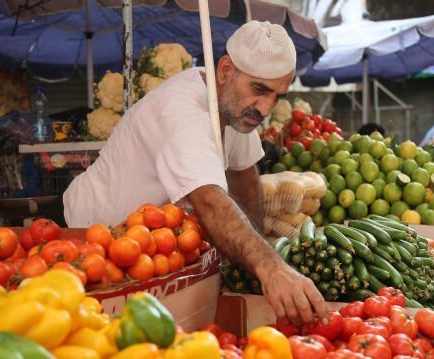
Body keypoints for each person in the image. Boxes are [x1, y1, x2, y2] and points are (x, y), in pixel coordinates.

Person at [63, 21, 327, 325]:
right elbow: (211, 201)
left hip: (146, 251)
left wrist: (252, 262)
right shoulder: (184, 112)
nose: (266, 108)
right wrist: (271, 269)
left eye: (277, 96)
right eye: (260, 90)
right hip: (89, 238)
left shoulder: (234, 105)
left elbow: (244, 175)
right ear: (226, 70)